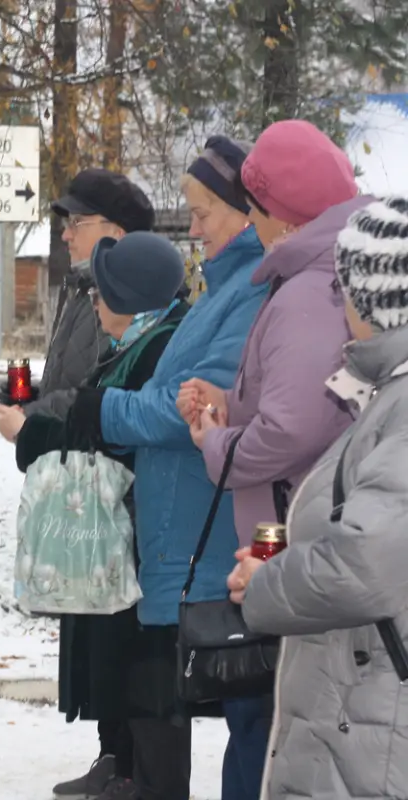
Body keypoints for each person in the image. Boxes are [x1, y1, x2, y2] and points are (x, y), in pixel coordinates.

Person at [62, 137, 267, 800]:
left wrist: (106, 411)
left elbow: (185, 409)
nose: (195, 227)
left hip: (203, 540)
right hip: (183, 536)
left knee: (225, 714)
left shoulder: (248, 293)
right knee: (203, 713)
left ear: (243, 211)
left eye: (204, 211)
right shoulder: (227, 288)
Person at [176, 123, 367, 800]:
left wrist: (215, 442)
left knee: (263, 729)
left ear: (283, 217)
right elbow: (305, 404)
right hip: (298, 539)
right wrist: (230, 402)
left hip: (284, 543)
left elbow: (290, 432)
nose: (252, 228)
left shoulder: (308, 294)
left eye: (254, 213)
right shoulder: (322, 277)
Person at [0, 231, 190, 800]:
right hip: (125, 532)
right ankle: (122, 767)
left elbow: (107, 433)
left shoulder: (156, 348)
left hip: (138, 535)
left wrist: (28, 432)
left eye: (104, 295)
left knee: (143, 674)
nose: (96, 305)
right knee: (123, 667)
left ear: (130, 298)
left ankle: (137, 777)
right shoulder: (140, 341)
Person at [229, 195, 408, 800]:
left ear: (375, 299)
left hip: (375, 729)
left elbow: (365, 564)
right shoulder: (389, 397)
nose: (339, 303)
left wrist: (265, 586)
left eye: (344, 289)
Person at [1, 169, 155, 422]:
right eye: (67, 223)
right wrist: (30, 399)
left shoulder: (129, 299)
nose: (66, 235)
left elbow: (104, 395)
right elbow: (75, 382)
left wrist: (31, 417)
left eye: (77, 223)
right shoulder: (86, 289)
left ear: (118, 233)